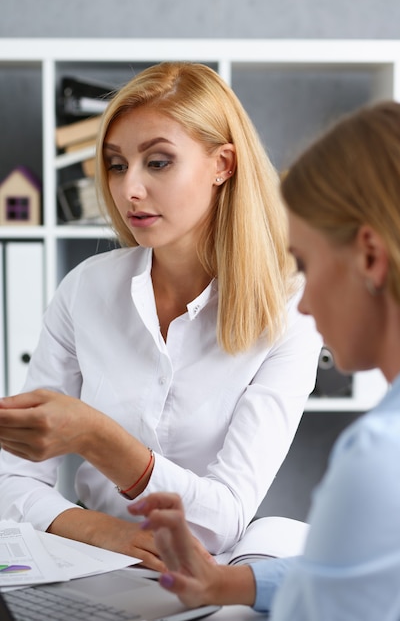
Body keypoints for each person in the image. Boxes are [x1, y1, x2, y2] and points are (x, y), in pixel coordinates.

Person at [0, 62, 321, 571]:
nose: (129, 190)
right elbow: (12, 479)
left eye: (158, 162)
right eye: (116, 164)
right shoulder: (85, 289)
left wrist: (96, 437)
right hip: (89, 559)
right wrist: (101, 531)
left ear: (223, 164)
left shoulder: (289, 309)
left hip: (209, 573)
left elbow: (224, 518)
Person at [130, 100, 400, 620]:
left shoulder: (387, 456)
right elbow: (352, 569)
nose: (301, 303)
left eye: (305, 263)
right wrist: (227, 582)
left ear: (370, 257)